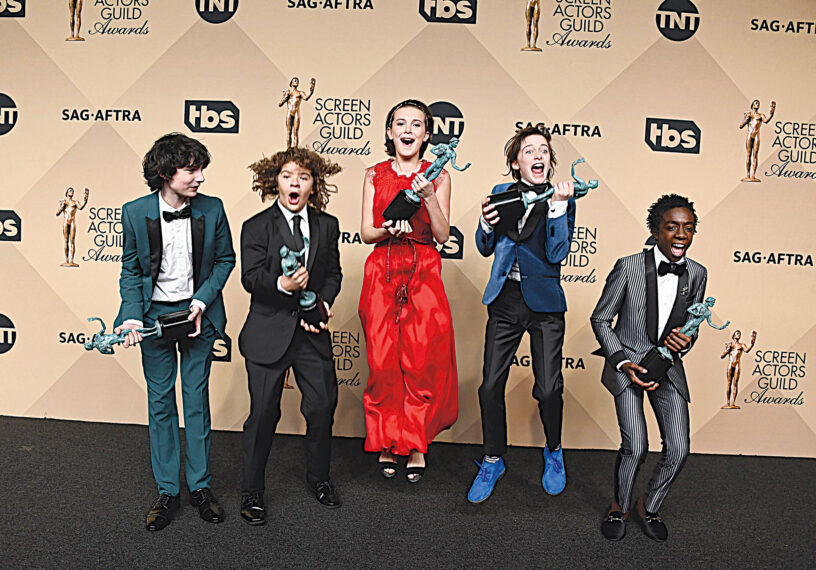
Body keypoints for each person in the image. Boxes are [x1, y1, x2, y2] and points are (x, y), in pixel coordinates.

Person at [113, 133, 235, 531]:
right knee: (161, 403)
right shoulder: (134, 212)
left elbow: (225, 260)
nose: (200, 177)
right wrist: (130, 316)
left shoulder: (213, 209)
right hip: (153, 319)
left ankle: (200, 487)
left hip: (197, 313)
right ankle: (168, 490)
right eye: (191, 169)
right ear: (165, 172)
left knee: (195, 400)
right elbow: (131, 271)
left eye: (201, 169)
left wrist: (201, 301)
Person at [467, 124, 575, 504]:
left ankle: (554, 451)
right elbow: (483, 246)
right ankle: (493, 459)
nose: (539, 156)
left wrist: (559, 208)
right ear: (516, 163)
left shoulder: (562, 199)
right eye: (530, 151)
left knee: (548, 387)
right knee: (490, 385)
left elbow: (558, 252)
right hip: (506, 301)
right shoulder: (500, 194)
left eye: (544, 150)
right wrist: (485, 222)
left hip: (545, 305)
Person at [590, 194, 708, 542]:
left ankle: (650, 505)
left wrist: (687, 339)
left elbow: (693, 325)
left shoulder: (698, 274)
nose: (681, 235)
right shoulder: (628, 266)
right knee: (636, 446)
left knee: (679, 448)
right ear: (656, 231)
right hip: (627, 366)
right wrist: (623, 361)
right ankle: (619, 506)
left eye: (688, 228)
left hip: (668, 369)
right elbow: (600, 319)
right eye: (672, 227)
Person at [238, 147, 343, 523]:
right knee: (264, 414)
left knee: (321, 408)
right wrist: (282, 284)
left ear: (314, 185)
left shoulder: (327, 225)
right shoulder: (255, 226)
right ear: (274, 182)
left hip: (312, 333)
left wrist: (326, 302)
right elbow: (250, 278)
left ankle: (319, 478)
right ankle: (252, 491)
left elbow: (333, 274)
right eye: (287, 176)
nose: (294, 182)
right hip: (269, 332)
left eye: (303, 176)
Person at [359, 99, 458, 483]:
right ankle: (386, 439)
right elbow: (367, 232)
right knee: (383, 362)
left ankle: (415, 442)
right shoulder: (373, 174)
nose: (408, 129)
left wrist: (429, 196)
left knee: (420, 361)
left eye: (417, 124)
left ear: (427, 135)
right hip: (381, 270)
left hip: (423, 270)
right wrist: (388, 229)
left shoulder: (440, 175)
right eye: (400, 122)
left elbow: (443, 235)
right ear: (389, 132)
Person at [721, 329, 756, 409]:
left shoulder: (741, 345)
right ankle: (728, 402)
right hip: (730, 365)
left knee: (735, 384)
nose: (739, 335)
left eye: (740, 334)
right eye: (737, 333)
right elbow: (722, 356)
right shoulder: (731, 345)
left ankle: (733, 402)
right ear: (733, 335)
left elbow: (747, 350)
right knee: (729, 383)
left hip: (737, 365)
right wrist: (727, 350)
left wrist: (752, 344)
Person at [56, 186, 89, 266]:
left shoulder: (75, 202)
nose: (71, 192)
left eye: (72, 191)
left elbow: (81, 208)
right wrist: (61, 207)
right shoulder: (63, 202)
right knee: (66, 241)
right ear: (67, 192)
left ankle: (72, 260)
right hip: (65, 222)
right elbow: (57, 213)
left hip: (72, 222)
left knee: (72, 241)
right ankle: (66, 260)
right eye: (70, 190)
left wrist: (85, 200)